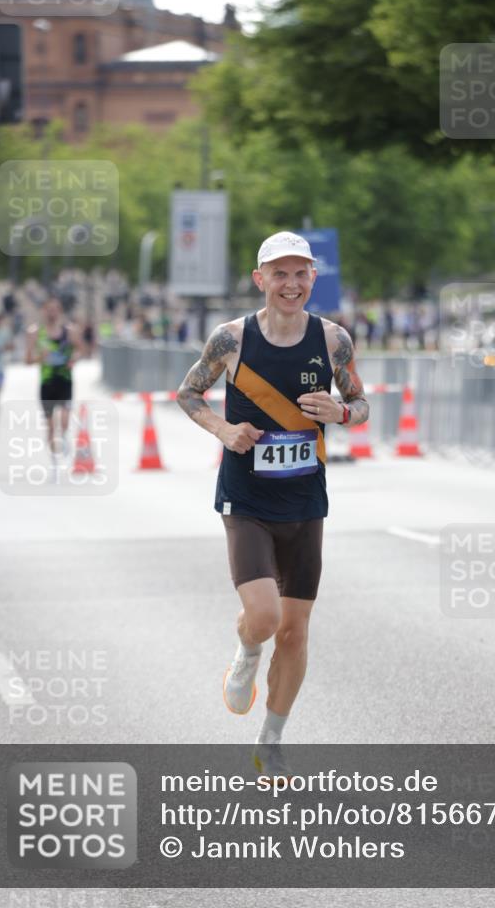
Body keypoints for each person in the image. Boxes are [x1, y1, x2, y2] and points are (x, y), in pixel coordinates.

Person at [177, 231, 369, 778]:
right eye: (279, 274)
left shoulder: (333, 340)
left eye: (300, 273)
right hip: (247, 497)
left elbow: (360, 402)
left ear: (313, 278)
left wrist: (341, 413)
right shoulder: (232, 339)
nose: (291, 284)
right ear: (260, 279)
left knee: (295, 630)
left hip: (305, 499)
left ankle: (271, 741)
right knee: (264, 617)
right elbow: (188, 393)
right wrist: (223, 429)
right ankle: (246, 653)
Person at [25, 297, 83, 459]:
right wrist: (40, 358)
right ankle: (54, 458)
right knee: (51, 426)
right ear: (43, 311)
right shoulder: (35, 332)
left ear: (60, 311)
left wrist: (74, 359)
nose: (52, 313)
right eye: (49, 309)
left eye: (55, 309)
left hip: (65, 380)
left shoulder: (69, 331)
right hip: (47, 383)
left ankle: (63, 438)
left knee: (64, 420)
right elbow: (27, 360)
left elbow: (80, 350)